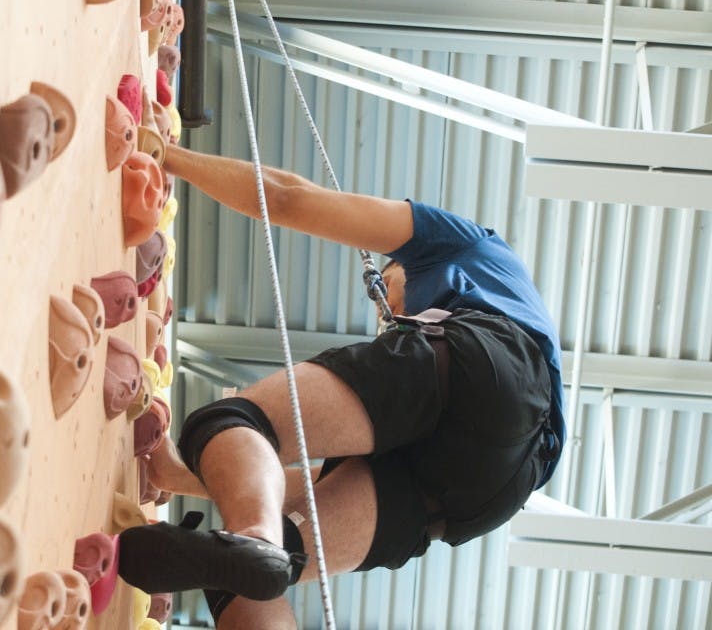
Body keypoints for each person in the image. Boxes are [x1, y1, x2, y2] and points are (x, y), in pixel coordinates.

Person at [117, 144, 565, 630]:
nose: (385, 315)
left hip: (498, 370)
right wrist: (179, 476)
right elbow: (310, 488)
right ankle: (260, 541)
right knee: (247, 571)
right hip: (496, 491)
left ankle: (259, 536)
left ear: (398, 268)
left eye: (386, 295)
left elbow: (286, 198)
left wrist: (171, 157)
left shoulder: (468, 247)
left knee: (233, 422)